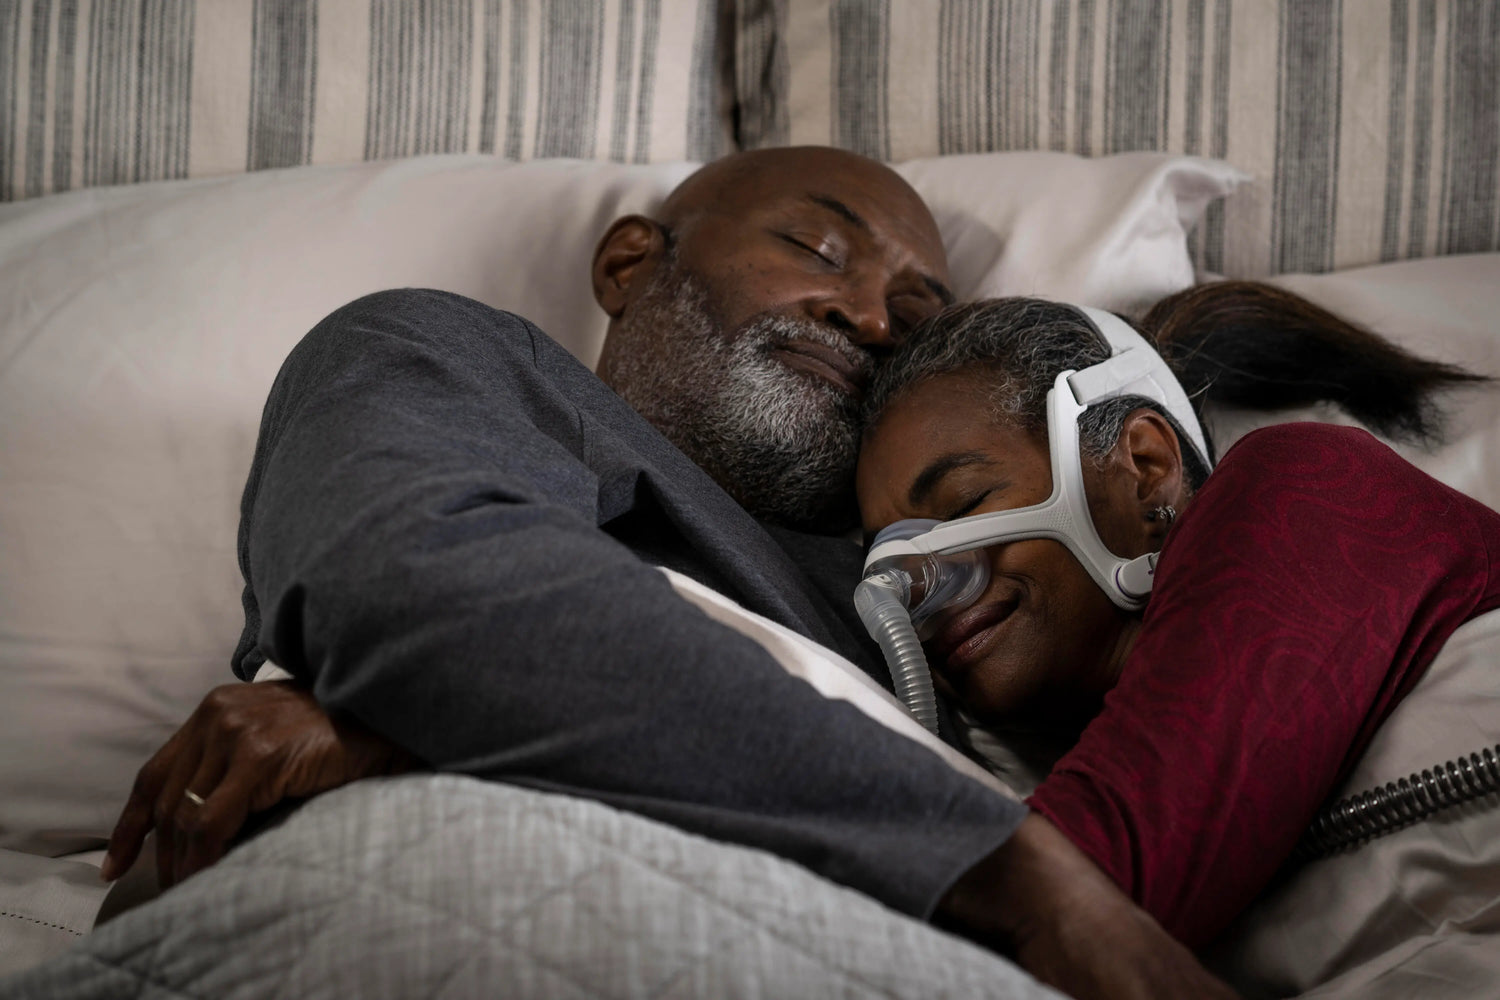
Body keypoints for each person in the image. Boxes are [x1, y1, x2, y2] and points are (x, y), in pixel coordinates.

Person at [99, 146, 1238, 1000]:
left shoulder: (921, 577)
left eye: (910, 314)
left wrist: (408, 728)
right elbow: (416, 584)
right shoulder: (453, 357)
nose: (863, 314)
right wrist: (1023, 880)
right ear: (630, 262)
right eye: (818, 249)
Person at [853, 286, 1497, 947]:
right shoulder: (1035, 774)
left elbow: (1064, 899)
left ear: (1145, 469)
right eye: (888, 554)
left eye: (964, 503)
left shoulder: (1306, 489)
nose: (918, 582)